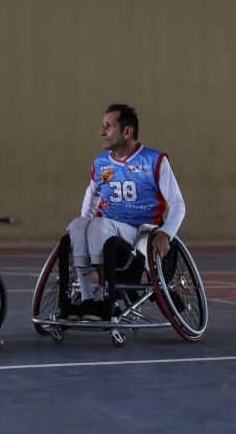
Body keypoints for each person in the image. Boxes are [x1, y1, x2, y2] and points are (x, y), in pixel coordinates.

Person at [64, 104, 185, 321]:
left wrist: (166, 233)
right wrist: (85, 222)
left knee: (99, 225)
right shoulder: (101, 163)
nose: (101, 132)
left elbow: (177, 204)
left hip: (141, 232)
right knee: (78, 224)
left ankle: (105, 296)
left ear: (127, 132)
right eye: (102, 126)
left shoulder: (155, 160)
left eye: (108, 126)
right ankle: (88, 297)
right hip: (107, 230)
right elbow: (91, 198)